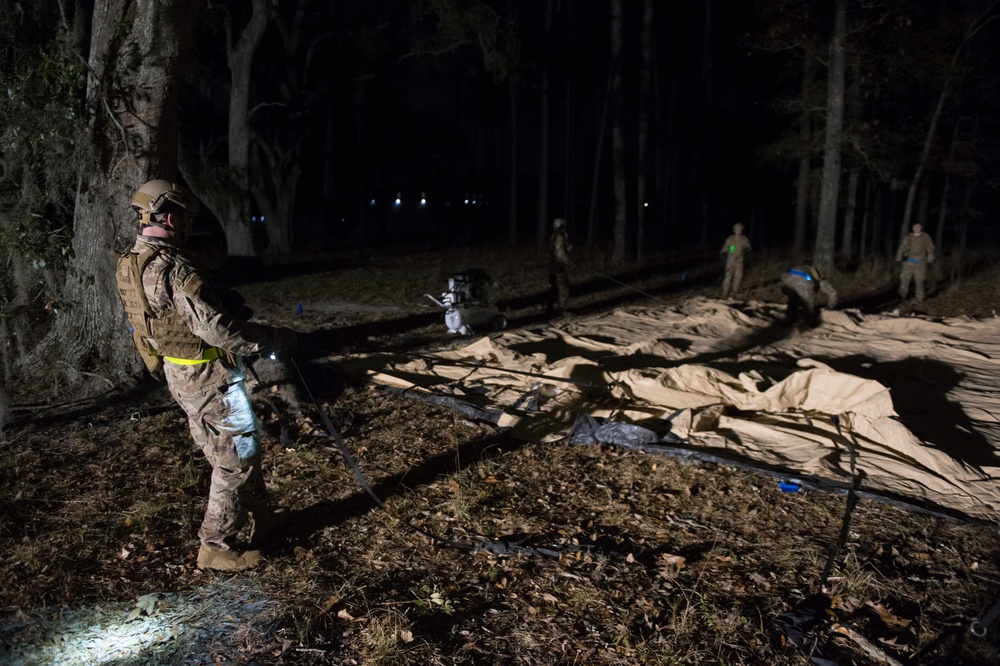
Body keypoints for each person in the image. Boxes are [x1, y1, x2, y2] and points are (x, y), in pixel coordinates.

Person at [116, 179, 298, 571]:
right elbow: (217, 330)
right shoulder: (172, 267)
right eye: (181, 217)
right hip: (208, 377)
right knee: (236, 458)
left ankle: (263, 518)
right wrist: (272, 338)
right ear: (168, 215)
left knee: (234, 451)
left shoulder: (132, 260)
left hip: (180, 375)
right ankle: (214, 544)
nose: (185, 226)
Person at [896, 222, 935, 302]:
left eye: (918, 227)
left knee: (919, 280)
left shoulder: (925, 237)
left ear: (921, 228)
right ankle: (902, 296)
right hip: (908, 261)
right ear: (912, 227)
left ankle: (919, 298)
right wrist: (899, 257)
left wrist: (930, 258)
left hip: (920, 262)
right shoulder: (909, 237)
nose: (916, 228)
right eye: (915, 227)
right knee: (904, 279)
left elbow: (930, 248)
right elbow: (903, 247)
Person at [719, 223, 751, 297]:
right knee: (728, 276)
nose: (738, 231)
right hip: (731, 260)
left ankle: (735, 291)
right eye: (736, 229)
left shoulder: (744, 239)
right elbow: (726, 247)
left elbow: (748, 247)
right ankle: (725, 292)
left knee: (738, 276)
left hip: (740, 260)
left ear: (742, 230)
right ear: (734, 230)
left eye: (740, 229)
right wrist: (723, 253)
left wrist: (746, 250)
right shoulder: (730, 239)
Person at [548, 217, 572, 315]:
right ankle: (562, 310)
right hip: (559, 266)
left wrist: (569, 249)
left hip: (553, 265)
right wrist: (567, 261)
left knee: (554, 288)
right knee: (563, 288)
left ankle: (550, 309)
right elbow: (560, 253)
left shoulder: (554, 236)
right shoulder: (559, 237)